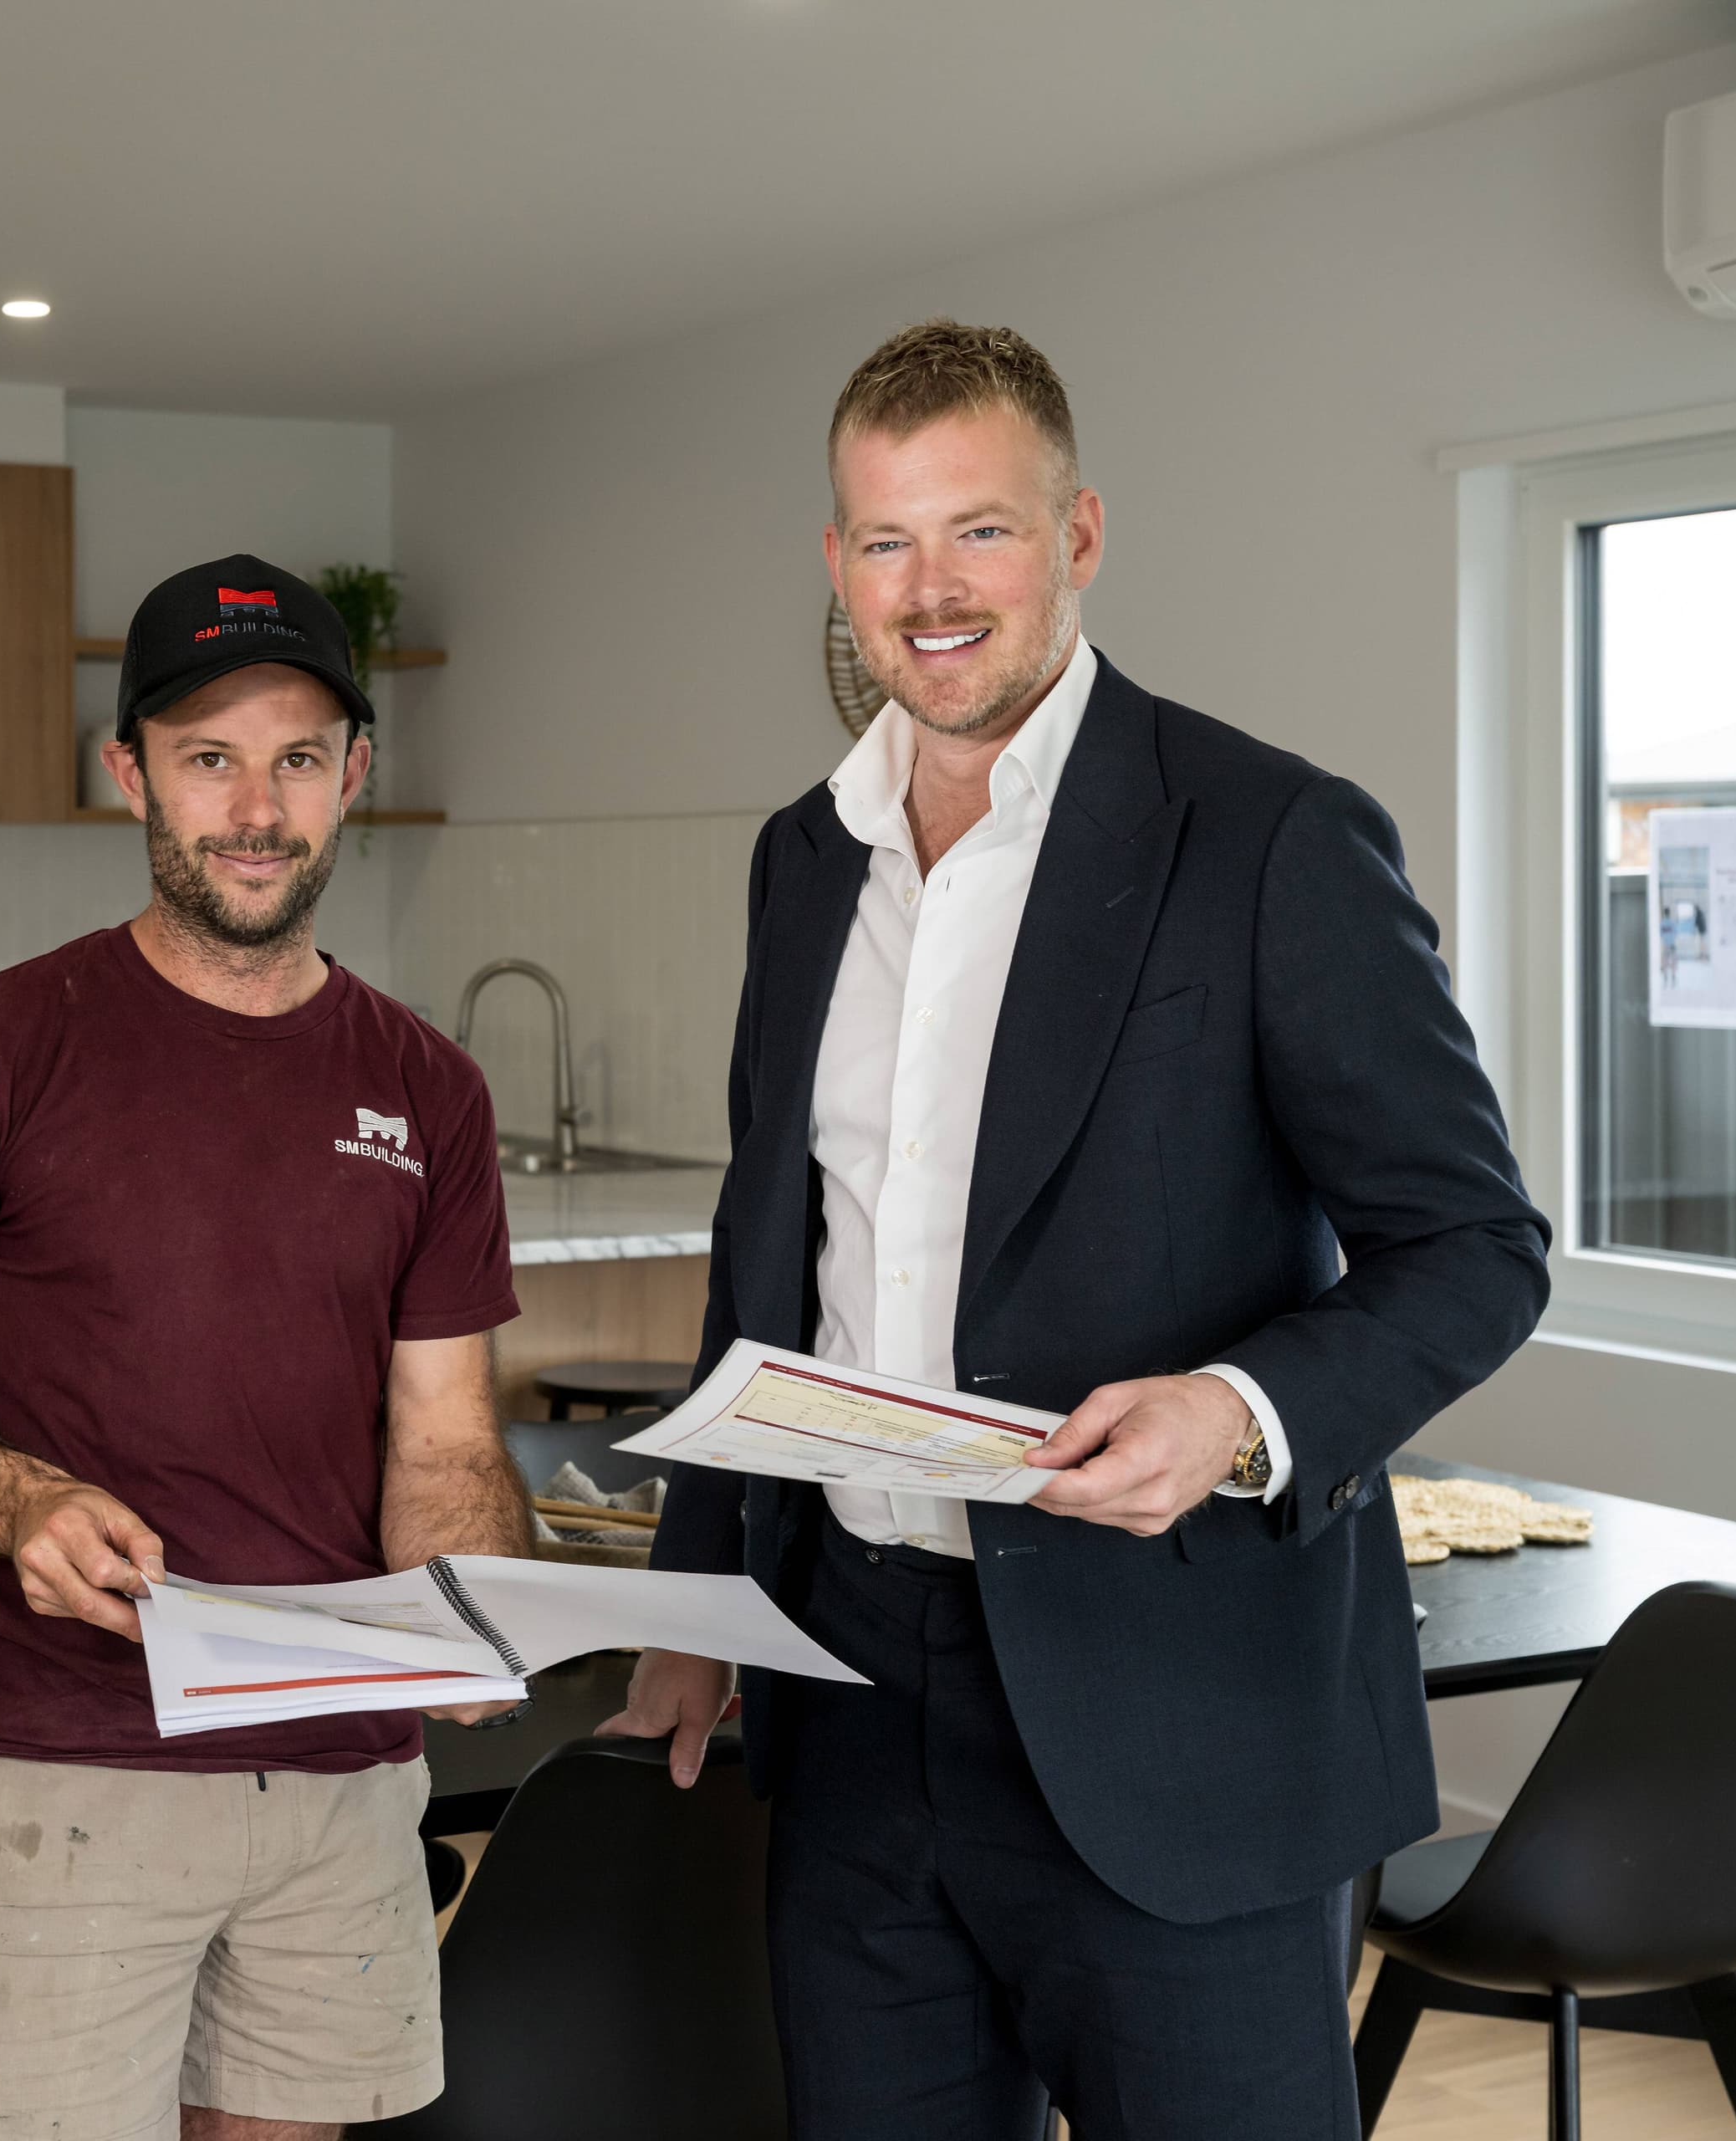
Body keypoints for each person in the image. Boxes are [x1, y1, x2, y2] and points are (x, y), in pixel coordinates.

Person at [604, 321, 1550, 2139]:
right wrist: (691, 1603)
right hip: (857, 1691)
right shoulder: (804, 857)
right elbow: (765, 1264)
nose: (932, 591)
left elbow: (1477, 1244)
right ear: (836, 566)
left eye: (983, 532)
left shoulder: (1269, 835)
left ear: (1082, 534)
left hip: (1178, 1711)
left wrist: (1240, 1411)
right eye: (887, 542)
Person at [0, 554, 530, 2141]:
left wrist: (473, 1605)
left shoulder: (433, 1090)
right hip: (71, 1776)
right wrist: (17, 1505)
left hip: (343, 1787)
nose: (256, 808)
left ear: (354, 773)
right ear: (131, 773)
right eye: (210, 758)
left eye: (295, 759)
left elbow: (445, 1441)